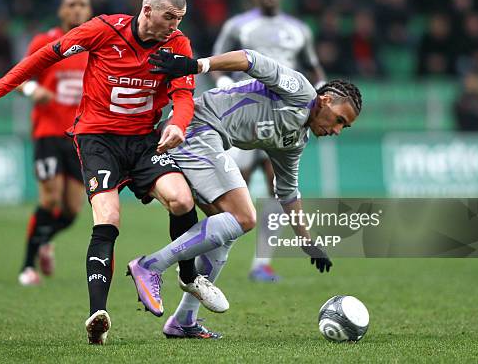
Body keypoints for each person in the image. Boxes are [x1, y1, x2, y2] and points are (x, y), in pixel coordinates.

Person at [0, 0, 227, 345]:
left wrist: (178, 126)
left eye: (180, 19)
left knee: (182, 200)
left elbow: (184, 95)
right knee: (108, 216)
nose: (174, 25)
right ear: (147, 10)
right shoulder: (104, 30)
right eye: (169, 17)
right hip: (97, 139)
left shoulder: (177, 44)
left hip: (144, 140)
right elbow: (45, 56)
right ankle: (97, 315)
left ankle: (187, 275)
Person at [135, 48, 361, 339]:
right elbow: (250, 59)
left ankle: (184, 320)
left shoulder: (296, 139)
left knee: (227, 232)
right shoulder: (301, 91)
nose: (338, 130)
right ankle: (151, 266)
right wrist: (196, 65)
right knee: (244, 217)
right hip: (196, 125)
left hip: (208, 138)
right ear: (326, 101)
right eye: (340, 120)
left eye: (345, 126)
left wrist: (307, 241)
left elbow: (288, 191)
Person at [211, 0, 326, 281]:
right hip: (245, 113)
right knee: (237, 186)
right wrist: (222, 83)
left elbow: (313, 67)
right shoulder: (237, 25)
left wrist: (324, 96)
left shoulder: (299, 29)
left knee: (278, 187)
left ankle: (261, 263)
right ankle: (217, 250)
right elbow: (219, 57)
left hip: (285, 116)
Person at [16, 0, 92, 287]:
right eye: (71, 4)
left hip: (79, 136)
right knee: (49, 200)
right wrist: (34, 91)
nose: (76, 10)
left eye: (82, 5)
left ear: (90, 11)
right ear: (61, 11)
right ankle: (27, 266)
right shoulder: (43, 42)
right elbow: (21, 76)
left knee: (72, 210)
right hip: (48, 133)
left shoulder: (94, 45)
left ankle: (46, 240)